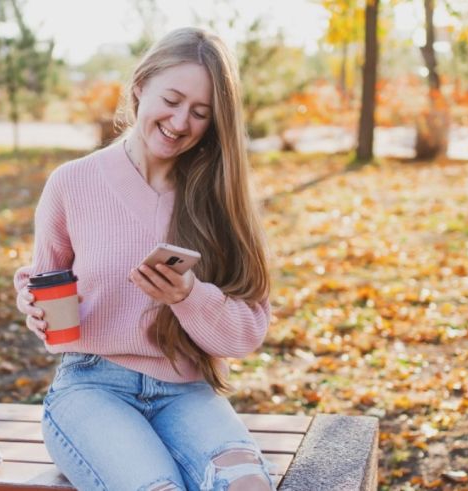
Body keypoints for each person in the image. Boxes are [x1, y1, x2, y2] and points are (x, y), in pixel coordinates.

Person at [14, 27, 273, 491]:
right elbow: (45, 282)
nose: (180, 122)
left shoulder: (219, 196)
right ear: (140, 86)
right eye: (171, 100)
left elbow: (247, 331)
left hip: (187, 389)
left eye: (200, 113)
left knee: (246, 484)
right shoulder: (72, 183)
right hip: (92, 385)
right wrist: (32, 305)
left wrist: (189, 296)